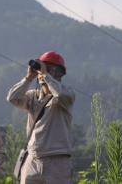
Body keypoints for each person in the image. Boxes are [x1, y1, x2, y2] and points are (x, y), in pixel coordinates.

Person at [7, 51, 75, 184]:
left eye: (50, 69)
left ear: (60, 74)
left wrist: (46, 76)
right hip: (32, 158)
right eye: (42, 68)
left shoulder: (67, 94)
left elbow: (59, 96)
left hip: (57, 160)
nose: (43, 73)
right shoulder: (33, 96)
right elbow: (12, 98)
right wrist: (28, 78)